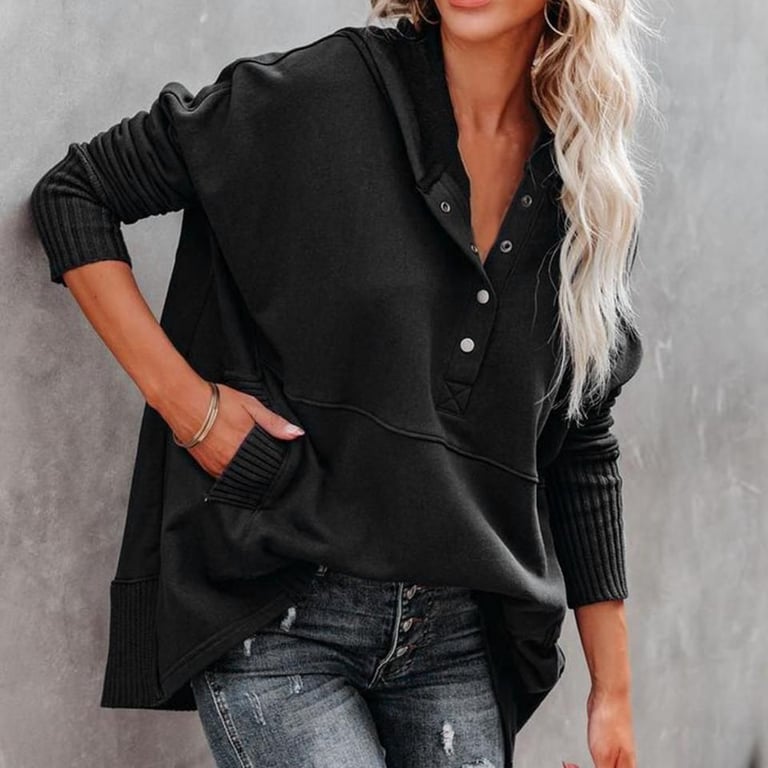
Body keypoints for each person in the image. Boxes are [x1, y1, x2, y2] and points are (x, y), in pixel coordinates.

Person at [29, 0, 656, 766]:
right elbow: (77, 192)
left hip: (459, 637)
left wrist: (612, 691)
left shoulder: (588, 188)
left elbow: (581, 438)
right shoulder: (319, 94)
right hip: (280, 609)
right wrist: (192, 411)